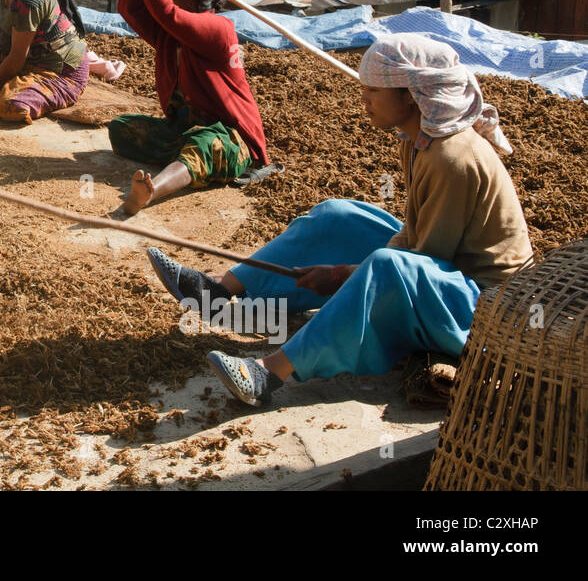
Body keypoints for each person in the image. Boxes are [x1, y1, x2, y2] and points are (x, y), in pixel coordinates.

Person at [148, 35, 533, 407]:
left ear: (412, 95)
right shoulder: (417, 140)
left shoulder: (453, 158)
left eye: (374, 91)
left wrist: (342, 275)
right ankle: (220, 292)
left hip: (485, 310)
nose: (363, 100)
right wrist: (346, 272)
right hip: (444, 272)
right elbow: (415, 237)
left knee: (386, 266)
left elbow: (423, 256)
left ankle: (268, 373)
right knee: (339, 215)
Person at [109, 0, 268, 214]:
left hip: (230, 137)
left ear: (191, 1)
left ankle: (152, 190)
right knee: (121, 128)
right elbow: (130, 9)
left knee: (205, 145)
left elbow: (167, 13)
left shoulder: (220, 29)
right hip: (184, 129)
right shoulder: (169, 35)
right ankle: (184, 163)